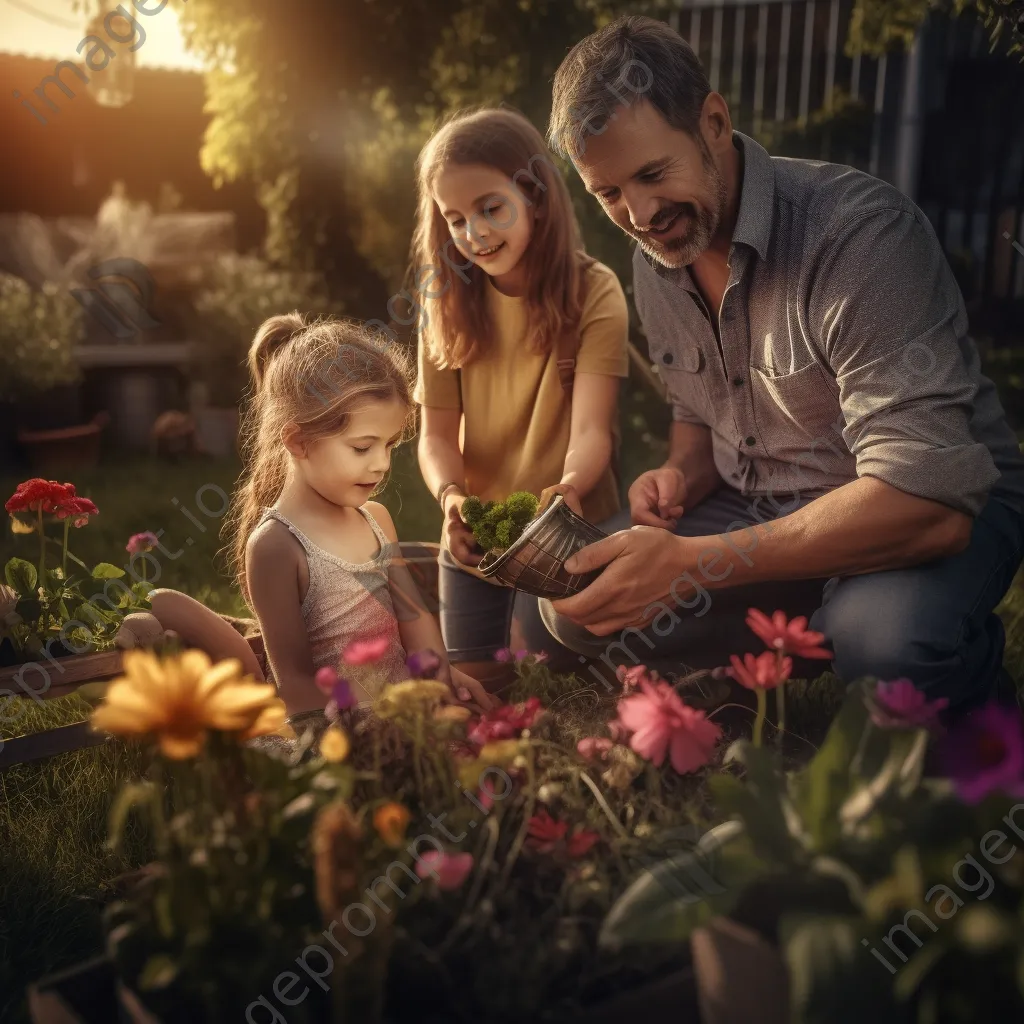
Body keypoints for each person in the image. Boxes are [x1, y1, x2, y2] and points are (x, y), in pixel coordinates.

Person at [538, 15, 1024, 714]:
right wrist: (679, 476)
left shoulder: (858, 236)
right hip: (761, 504)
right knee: (570, 608)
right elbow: (699, 420)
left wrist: (692, 568)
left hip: (923, 500)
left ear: (712, 121)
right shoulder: (657, 260)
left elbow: (930, 504)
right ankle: (797, 629)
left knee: (887, 645)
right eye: (608, 194)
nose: (640, 215)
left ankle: (907, 650)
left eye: (651, 173)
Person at [411, 107, 630, 690]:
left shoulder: (593, 290)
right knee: (477, 689)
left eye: (490, 208)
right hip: (476, 535)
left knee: (558, 674)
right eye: (454, 218)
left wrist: (571, 488)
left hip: (566, 528)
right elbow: (434, 437)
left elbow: (592, 431)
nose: (474, 233)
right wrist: (451, 499)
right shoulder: (443, 304)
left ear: (534, 195)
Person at [208, 312, 496, 728]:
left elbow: (414, 619)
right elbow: (296, 683)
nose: (381, 464)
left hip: (407, 714)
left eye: (390, 445)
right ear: (298, 441)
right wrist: (377, 725)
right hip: (342, 732)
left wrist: (442, 681)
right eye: (362, 448)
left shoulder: (376, 519)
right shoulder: (275, 546)